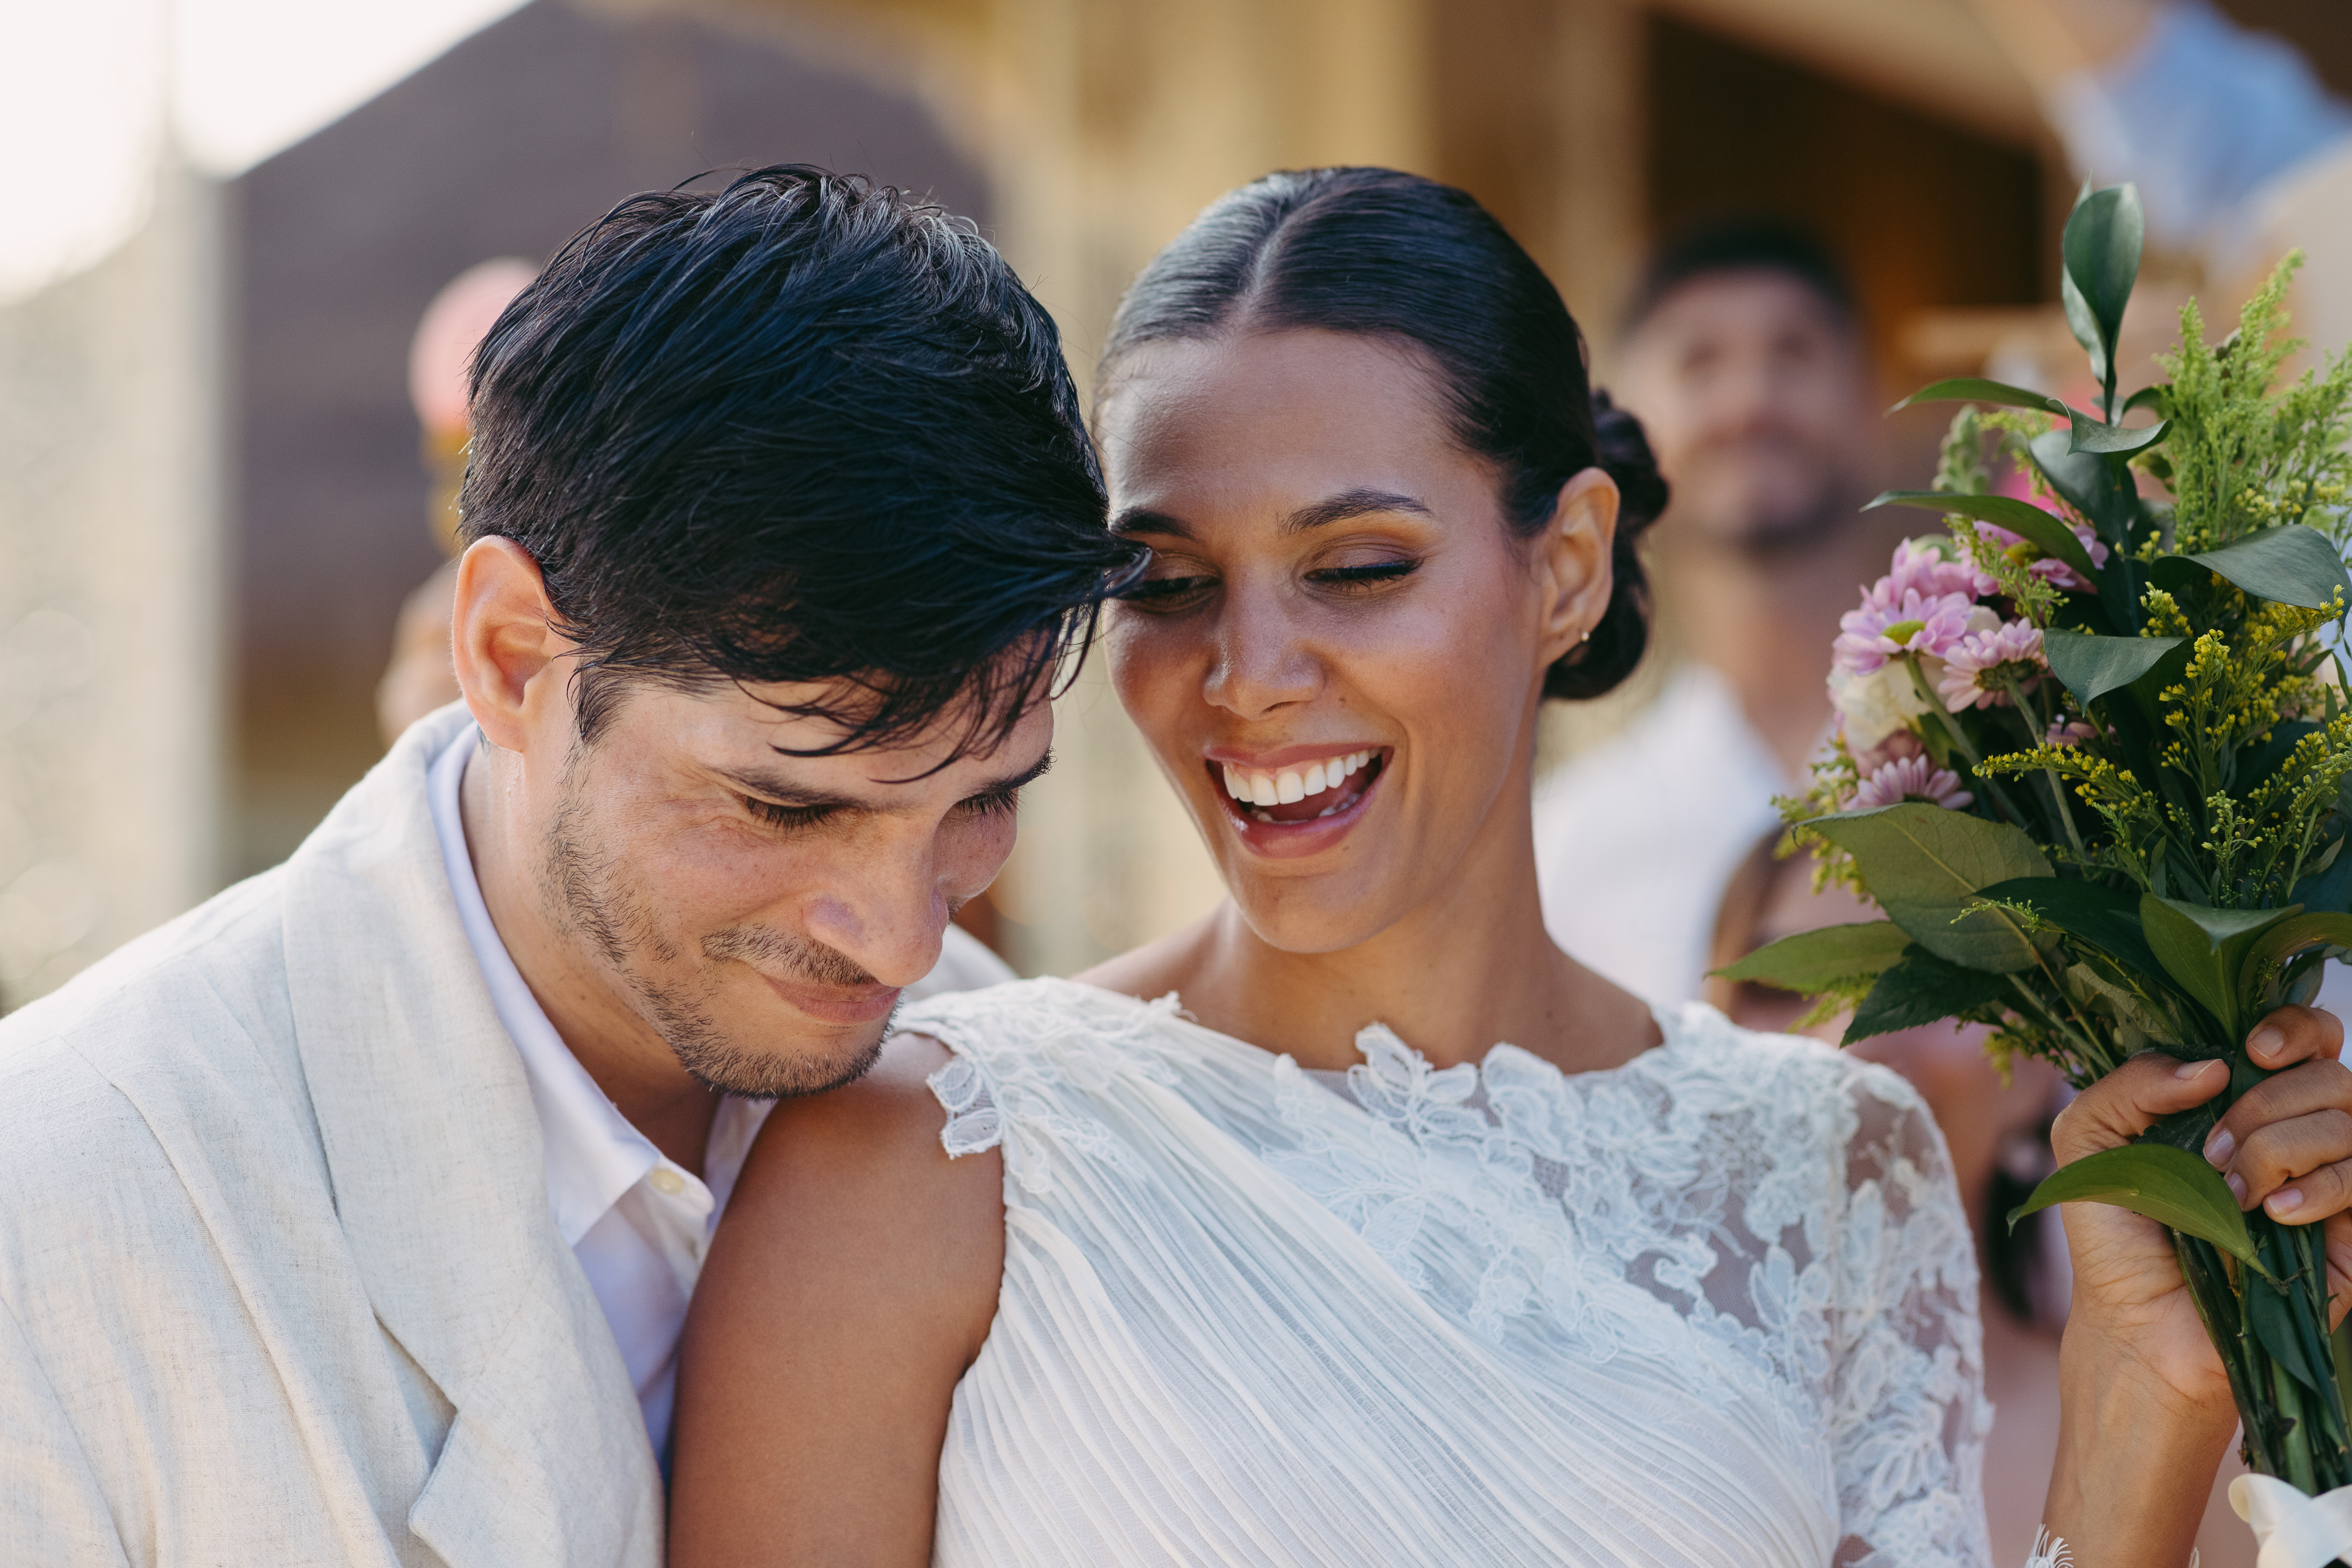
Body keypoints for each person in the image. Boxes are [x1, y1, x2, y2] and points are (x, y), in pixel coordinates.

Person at [670, 167, 2352, 1568]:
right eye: (1166, 582)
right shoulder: (917, 1160)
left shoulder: (1832, 1166)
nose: (1247, 671)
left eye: (1356, 564)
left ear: (1566, 566)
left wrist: (2149, 1406)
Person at [0, 167, 1126, 1564]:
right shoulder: (56, 1206)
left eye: (981, 805)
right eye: (785, 807)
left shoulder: (1007, 1094)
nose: (902, 941)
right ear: (511, 656)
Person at [1531, 219, 1888, 1006]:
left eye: (1793, 354)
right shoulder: (1570, 845)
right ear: (1625, 426)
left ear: (1867, 397)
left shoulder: (2007, 765)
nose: (1751, 401)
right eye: (1700, 363)